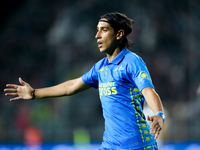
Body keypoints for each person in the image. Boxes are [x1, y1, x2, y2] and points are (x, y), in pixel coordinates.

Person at [4, 12, 165, 150]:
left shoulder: (131, 61)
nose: (97, 35)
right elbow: (71, 86)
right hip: (110, 145)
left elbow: (149, 91)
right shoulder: (100, 67)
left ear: (119, 34)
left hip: (137, 145)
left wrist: (158, 114)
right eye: (97, 30)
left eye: (104, 30)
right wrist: (34, 93)